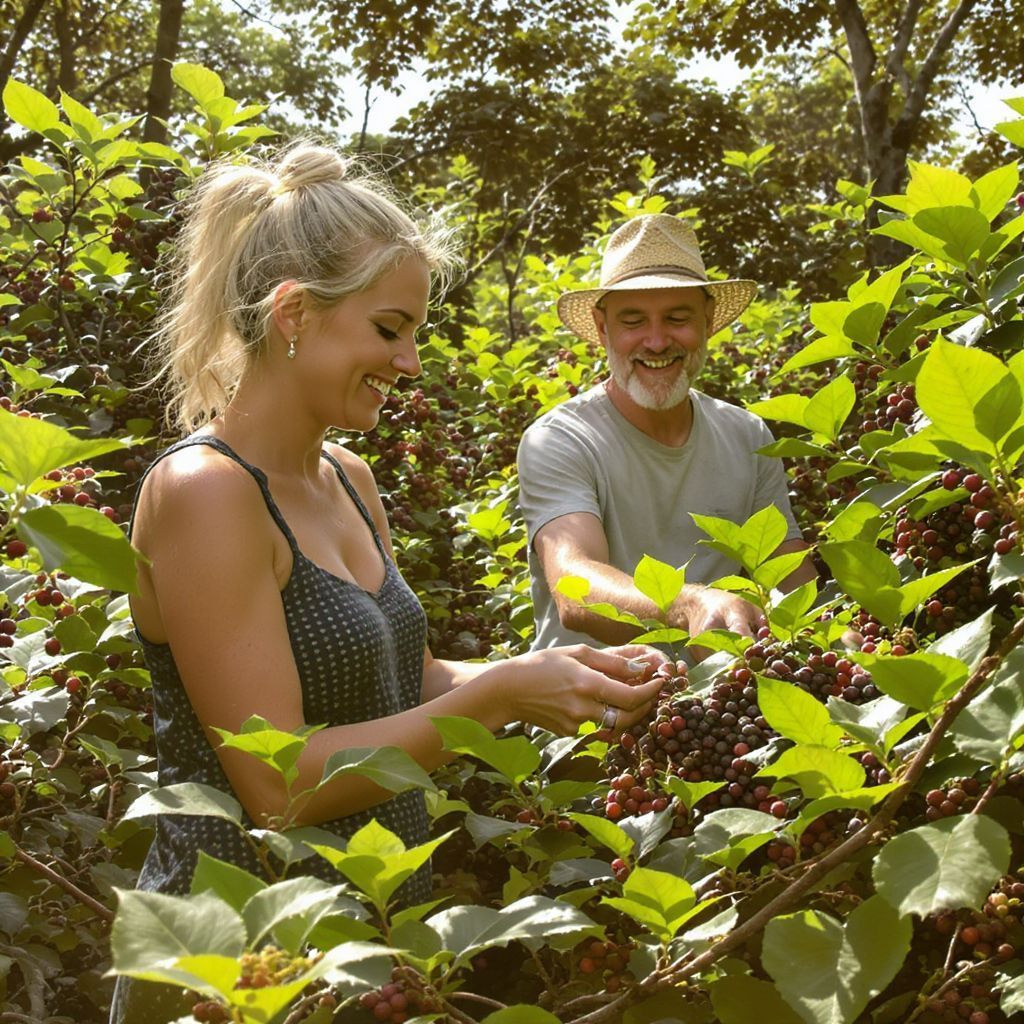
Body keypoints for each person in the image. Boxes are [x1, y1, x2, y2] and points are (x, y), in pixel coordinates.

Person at [109, 145, 665, 1024]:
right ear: (294, 313)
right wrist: (502, 697)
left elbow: (402, 680)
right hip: (235, 968)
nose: (409, 362)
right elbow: (278, 788)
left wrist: (563, 677)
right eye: (389, 328)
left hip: (366, 947)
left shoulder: (347, 478)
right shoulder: (207, 494)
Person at [517, 213, 815, 656]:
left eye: (677, 318)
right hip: (593, 695)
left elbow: (790, 577)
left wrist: (830, 635)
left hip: (721, 693)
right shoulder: (560, 440)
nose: (656, 342)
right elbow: (575, 587)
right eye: (633, 321)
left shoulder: (747, 436)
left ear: (707, 321)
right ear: (602, 328)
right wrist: (690, 604)